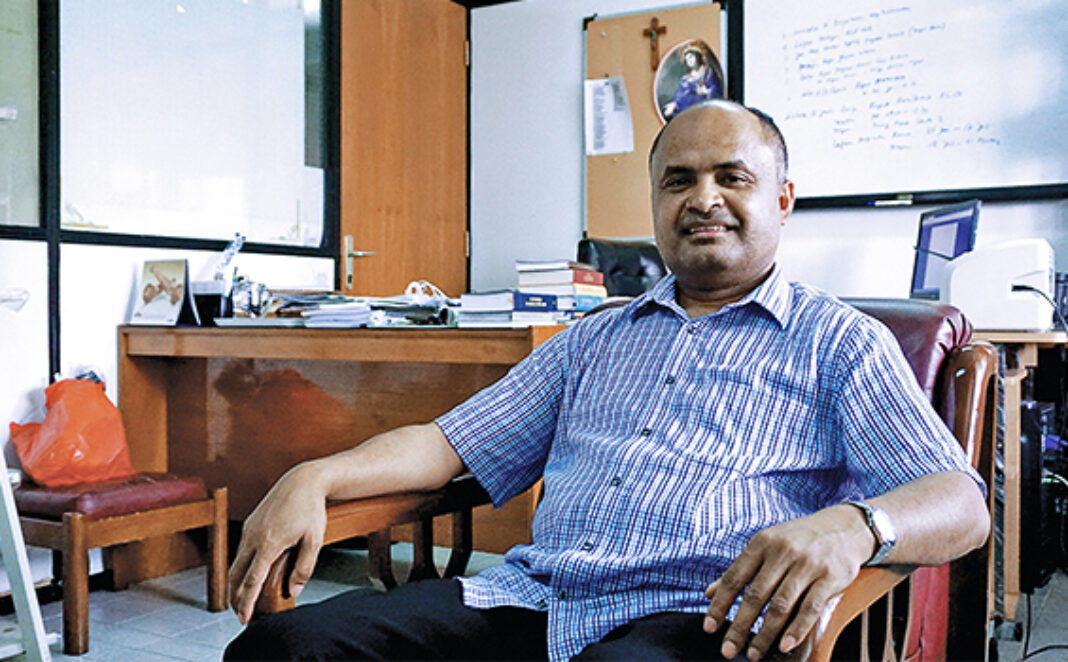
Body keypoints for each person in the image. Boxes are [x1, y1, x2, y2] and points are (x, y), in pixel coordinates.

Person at [225, 100, 990, 661]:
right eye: (679, 180)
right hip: (532, 598)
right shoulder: (594, 338)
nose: (704, 198)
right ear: (656, 203)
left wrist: (857, 526)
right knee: (282, 650)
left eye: (732, 177)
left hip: (700, 619)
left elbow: (961, 503)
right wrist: (314, 475)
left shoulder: (840, 343)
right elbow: (448, 444)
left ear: (783, 200)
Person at [662, 45, 723, 120]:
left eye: (691, 57)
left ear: (697, 56)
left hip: (704, 107)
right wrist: (674, 103)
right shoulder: (686, 79)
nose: (689, 61)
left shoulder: (708, 72)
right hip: (688, 108)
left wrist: (706, 92)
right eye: (687, 59)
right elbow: (681, 93)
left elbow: (717, 89)